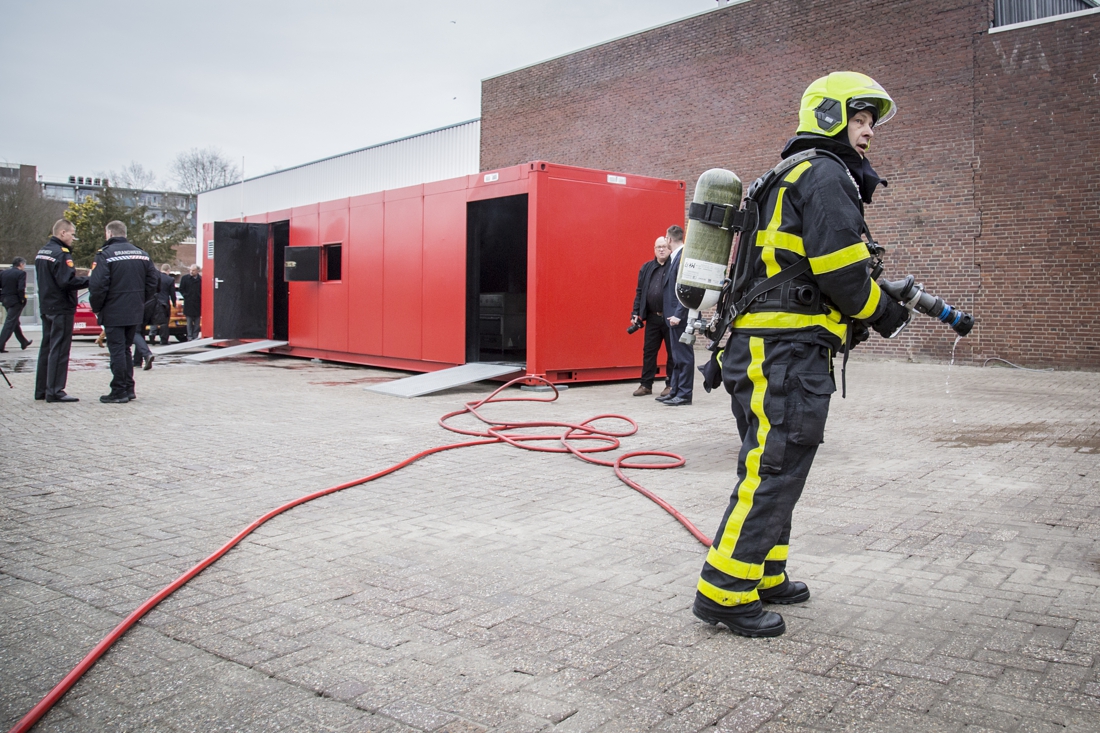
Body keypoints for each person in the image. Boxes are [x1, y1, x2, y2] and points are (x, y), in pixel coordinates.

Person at [692, 72, 912, 637]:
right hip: (785, 351)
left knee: (776, 462)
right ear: (830, 116)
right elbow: (841, 272)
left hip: (762, 349)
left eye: (870, 124)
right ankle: (724, 591)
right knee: (775, 464)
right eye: (859, 120)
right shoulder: (826, 174)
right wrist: (884, 312)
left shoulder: (782, 175)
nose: (867, 133)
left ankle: (765, 572)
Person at [88, 220, 158, 404]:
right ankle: (128, 387)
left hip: (113, 310)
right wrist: (139, 300)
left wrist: (97, 307)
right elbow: (153, 281)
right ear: (124, 233)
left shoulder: (105, 255)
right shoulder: (142, 254)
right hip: (135, 310)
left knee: (117, 350)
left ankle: (119, 390)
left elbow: (97, 285)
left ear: (109, 234)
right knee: (126, 349)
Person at [34, 220, 89, 402]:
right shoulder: (61, 254)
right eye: (72, 234)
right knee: (59, 349)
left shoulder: (43, 252)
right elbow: (67, 282)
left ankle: (42, 389)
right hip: (61, 307)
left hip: (46, 305)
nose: (73, 238)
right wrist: (90, 280)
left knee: (47, 348)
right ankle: (56, 390)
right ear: (62, 233)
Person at [630, 237, 673, 397]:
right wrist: (635, 313)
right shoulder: (647, 268)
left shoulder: (674, 267)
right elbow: (640, 292)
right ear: (654, 249)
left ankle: (670, 384)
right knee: (649, 351)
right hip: (653, 318)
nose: (661, 250)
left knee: (672, 353)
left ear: (670, 249)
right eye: (658, 247)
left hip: (670, 318)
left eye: (664, 246)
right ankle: (646, 385)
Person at [659, 225, 694, 406]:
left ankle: (685, 394)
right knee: (676, 356)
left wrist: (679, 315)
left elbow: (685, 289)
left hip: (679, 317)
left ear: (669, 239)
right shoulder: (677, 257)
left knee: (683, 357)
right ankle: (675, 391)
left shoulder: (682, 258)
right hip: (673, 317)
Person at [0, 257, 33, 352]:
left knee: (14, 322)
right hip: (15, 301)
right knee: (10, 323)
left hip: (5, 300)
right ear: (21, 264)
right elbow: (20, 288)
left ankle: (23, 342)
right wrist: (22, 299)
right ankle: (0, 345)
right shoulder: (21, 273)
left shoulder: (4, 273)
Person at [150, 264, 177, 346]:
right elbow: (172, 293)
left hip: (154, 301)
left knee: (153, 319)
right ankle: (163, 339)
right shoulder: (170, 279)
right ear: (168, 270)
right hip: (164, 303)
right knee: (164, 322)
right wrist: (174, 302)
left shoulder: (155, 277)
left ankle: (152, 334)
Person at [178, 264, 202, 341]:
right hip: (188, 302)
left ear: (197, 271)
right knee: (189, 321)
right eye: (190, 270)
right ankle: (189, 336)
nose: (191, 272)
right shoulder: (185, 278)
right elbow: (181, 289)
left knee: (197, 322)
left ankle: (195, 336)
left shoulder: (201, 279)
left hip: (198, 303)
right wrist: (186, 296)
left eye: (193, 270)